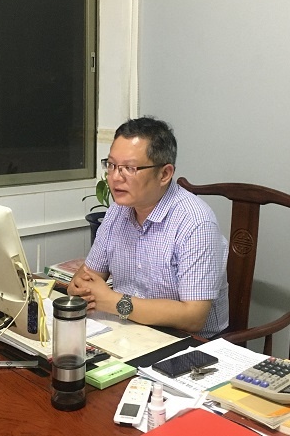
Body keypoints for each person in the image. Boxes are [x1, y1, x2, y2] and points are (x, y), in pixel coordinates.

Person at [68, 117, 229, 338]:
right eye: (112, 165)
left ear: (164, 174)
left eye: (129, 168)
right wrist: (81, 289)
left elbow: (193, 317)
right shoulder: (117, 211)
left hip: (187, 342)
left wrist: (115, 302)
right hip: (128, 331)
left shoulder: (196, 223)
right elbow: (85, 278)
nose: (115, 177)